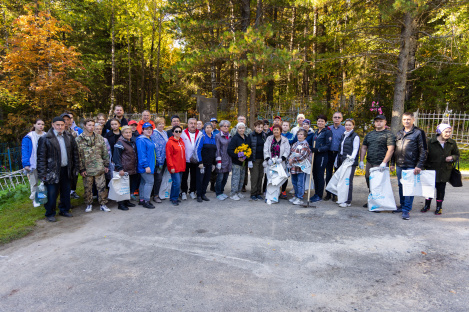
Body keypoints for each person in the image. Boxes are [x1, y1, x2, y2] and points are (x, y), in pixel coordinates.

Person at [37, 117, 79, 222]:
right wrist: (42, 174)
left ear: (65, 125)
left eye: (62, 125)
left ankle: (64, 210)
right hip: (52, 171)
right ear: (52, 125)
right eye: (57, 125)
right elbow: (41, 158)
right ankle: (50, 213)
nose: (60, 127)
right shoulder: (45, 138)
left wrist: (76, 168)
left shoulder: (69, 137)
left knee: (66, 192)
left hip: (66, 170)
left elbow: (75, 154)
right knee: (52, 193)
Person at [390, 112, 427, 220]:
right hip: (399, 165)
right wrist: (392, 163)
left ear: (413, 120)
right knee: (401, 185)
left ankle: (406, 209)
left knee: (409, 187)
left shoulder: (419, 133)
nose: (406, 121)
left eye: (408, 119)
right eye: (404, 119)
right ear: (402, 120)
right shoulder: (399, 133)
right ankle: (402, 205)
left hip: (412, 165)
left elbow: (424, 150)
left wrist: (419, 165)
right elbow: (394, 149)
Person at [422, 124, 459, 215]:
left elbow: (457, 155)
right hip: (431, 170)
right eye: (446, 131)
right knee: (429, 189)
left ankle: (439, 207)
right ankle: (427, 205)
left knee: (441, 189)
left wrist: (452, 157)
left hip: (444, 171)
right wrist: (423, 167)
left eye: (449, 132)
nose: (448, 133)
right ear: (440, 132)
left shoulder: (452, 143)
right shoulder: (430, 142)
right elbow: (424, 156)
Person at [359, 115, 396, 208]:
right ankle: (372, 200)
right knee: (369, 180)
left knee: (378, 184)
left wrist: (384, 162)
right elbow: (364, 147)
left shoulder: (389, 134)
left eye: (380, 121)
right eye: (376, 121)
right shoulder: (369, 134)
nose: (378, 123)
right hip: (370, 162)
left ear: (385, 122)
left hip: (380, 163)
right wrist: (361, 160)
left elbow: (391, 149)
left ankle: (378, 203)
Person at [76, 119, 110, 213]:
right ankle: (88, 204)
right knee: (88, 188)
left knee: (102, 187)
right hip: (86, 168)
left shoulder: (99, 138)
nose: (91, 127)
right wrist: (81, 168)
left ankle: (103, 204)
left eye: (93, 125)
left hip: (99, 167)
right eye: (89, 125)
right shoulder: (79, 139)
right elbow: (77, 155)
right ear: (85, 126)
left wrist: (106, 164)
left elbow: (104, 152)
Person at [335, 118, 360, 208]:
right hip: (342, 160)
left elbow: (355, 149)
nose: (347, 127)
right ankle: (342, 198)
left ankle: (347, 200)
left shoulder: (355, 136)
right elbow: (341, 149)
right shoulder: (344, 135)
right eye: (346, 125)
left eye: (350, 125)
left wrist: (351, 159)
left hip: (349, 162)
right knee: (342, 180)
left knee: (347, 181)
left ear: (353, 126)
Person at [113, 126, 139, 211]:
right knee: (122, 187)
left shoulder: (131, 141)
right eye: (126, 133)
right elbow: (116, 157)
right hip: (124, 169)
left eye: (130, 132)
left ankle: (127, 201)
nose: (128, 134)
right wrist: (120, 168)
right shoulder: (120, 143)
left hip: (131, 168)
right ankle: (121, 204)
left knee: (128, 186)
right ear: (122, 133)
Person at [21, 119, 46, 207]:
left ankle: (42, 198)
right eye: (39, 124)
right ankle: (35, 199)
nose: (41, 126)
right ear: (34, 125)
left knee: (44, 182)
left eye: (42, 124)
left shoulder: (46, 135)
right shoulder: (29, 137)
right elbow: (25, 151)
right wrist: (26, 164)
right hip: (33, 163)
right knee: (34, 182)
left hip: (44, 163)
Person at [264, 124, 291, 203]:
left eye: (277, 130)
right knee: (270, 180)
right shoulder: (269, 139)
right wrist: (268, 159)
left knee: (278, 180)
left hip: (280, 163)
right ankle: (269, 196)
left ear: (280, 131)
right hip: (270, 162)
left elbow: (287, 150)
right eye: (274, 130)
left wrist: (282, 158)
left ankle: (276, 196)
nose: (276, 131)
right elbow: (265, 149)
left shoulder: (285, 140)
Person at [309, 114, 332, 203]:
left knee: (319, 175)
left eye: (322, 121)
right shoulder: (316, 132)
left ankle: (319, 195)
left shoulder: (327, 132)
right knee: (314, 175)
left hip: (322, 156)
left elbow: (328, 145)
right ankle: (316, 193)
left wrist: (318, 149)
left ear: (325, 122)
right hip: (314, 156)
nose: (320, 122)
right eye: (319, 121)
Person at [227, 122, 252, 200]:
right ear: (237, 129)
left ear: (245, 129)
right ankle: (233, 193)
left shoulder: (246, 137)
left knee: (242, 178)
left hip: (244, 162)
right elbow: (230, 150)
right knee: (236, 178)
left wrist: (246, 157)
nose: (241, 129)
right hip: (236, 162)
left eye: (243, 128)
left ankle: (238, 192)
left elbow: (249, 148)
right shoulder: (235, 138)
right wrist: (238, 157)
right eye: (240, 128)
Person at [325, 111, 345, 202]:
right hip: (329, 153)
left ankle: (335, 194)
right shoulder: (328, 129)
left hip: (339, 154)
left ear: (341, 119)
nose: (337, 119)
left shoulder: (344, 130)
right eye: (335, 117)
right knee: (328, 174)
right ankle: (328, 193)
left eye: (339, 117)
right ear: (332, 119)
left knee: (337, 175)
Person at [288, 129, 311, 205]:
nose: (299, 136)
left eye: (301, 134)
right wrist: (290, 159)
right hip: (294, 167)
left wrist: (293, 159)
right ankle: (296, 195)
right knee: (294, 182)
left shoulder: (305, 145)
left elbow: (302, 156)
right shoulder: (295, 144)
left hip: (301, 167)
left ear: (304, 136)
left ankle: (300, 197)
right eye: (298, 134)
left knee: (300, 183)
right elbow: (291, 152)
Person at [136, 122, 157, 209]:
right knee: (149, 182)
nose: (149, 130)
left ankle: (141, 200)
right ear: (143, 130)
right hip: (145, 166)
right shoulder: (141, 140)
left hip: (150, 165)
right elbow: (142, 154)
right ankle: (146, 201)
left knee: (143, 182)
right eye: (146, 129)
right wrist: (146, 166)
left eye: (150, 129)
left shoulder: (148, 138)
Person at [195, 123, 217, 202]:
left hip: (210, 163)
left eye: (210, 127)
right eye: (207, 127)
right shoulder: (202, 137)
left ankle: (203, 194)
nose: (208, 129)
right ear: (204, 129)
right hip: (202, 163)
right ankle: (199, 195)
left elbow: (215, 151)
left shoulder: (214, 138)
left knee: (207, 179)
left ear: (212, 129)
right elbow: (197, 149)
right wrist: (200, 162)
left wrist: (214, 163)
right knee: (200, 180)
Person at [60, 112, 80, 199]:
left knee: (73, 177)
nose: (66, 121)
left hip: (72, 159)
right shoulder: (58, 131)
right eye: (64, 120)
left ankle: (72, 192)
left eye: (68, 119)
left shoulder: (73, 133)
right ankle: (63, 198)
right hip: (62, 160)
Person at [166, 125, 186, 206]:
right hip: (174, 167)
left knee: (178, 183)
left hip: (181, 165)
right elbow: (169, 156)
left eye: (179, 131)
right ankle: (174, 198)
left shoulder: (181, 141)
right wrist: (171, 167)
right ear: (173, 132)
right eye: (176, 131)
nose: (178, 133)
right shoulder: (170, 142)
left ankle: (174, 197)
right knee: (176, 183)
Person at [181, 118, 201, 200]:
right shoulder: (182, 133)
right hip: (185, 159)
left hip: (195, 160)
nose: (193, 125)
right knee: (184, 177)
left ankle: (192, 191)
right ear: (188, 124)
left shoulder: (200, 133)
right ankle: (183, 192)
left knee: (194, 176)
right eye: (191, 123)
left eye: (194, 123)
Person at [151, 117, 168, 203]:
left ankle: (160, 193)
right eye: (159, 124)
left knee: (162, 178)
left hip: (165, 158)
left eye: (162, 123)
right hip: (159, 160)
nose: (161, 125)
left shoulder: (164, 132)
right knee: (158, 177)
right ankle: (155, 195)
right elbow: (156, 148)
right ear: (156, 124)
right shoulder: (154, 133)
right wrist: (159, 160)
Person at [249, 120, 267, 201]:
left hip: (262, 159)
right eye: (258, 127)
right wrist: (249, 160)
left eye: (261, 127)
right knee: (254, 177)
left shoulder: (264, 135)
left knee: (260, 176)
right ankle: (253, 193)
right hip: (254, 160)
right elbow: (248, 148)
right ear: (254, 127)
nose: (260, 129)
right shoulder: (250, 135)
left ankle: (258, 193)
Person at [215, 120, 232, 200]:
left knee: (225, 177)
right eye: (224, 126)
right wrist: (218, 161)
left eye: (227, 126)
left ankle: (222, 191)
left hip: (228, 159)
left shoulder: (230, 136)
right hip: (221, 159)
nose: (226, 127)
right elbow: (217, 149)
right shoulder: (218, 136)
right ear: (220, 127)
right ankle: (218, 193)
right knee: (220, 178)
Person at [209, 118, 220, 191]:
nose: (214, 124)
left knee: (215, 170)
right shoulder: (206, 131)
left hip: (216, 152)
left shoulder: (218, 132)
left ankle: (213, 184)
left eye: (215, 123)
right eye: (212, 122)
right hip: (208, 153)